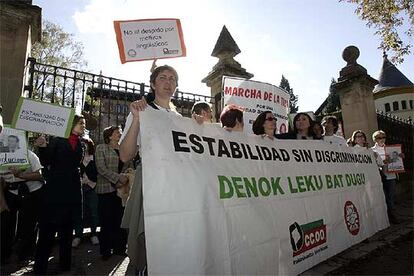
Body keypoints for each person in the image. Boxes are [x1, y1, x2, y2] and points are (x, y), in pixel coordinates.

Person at [119, 64, 182, 275]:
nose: (168, 82)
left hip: (177, 188)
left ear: (176, 86)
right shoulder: (142, 112)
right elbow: (125, 155)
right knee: (146, 245)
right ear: (153, 83)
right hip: (152, 185)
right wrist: (137, 119)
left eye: (172, 78)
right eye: (163, 77)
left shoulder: (181, 119)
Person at [33, 115, 86, 275]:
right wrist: (42, 146)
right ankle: (40, 268)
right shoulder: (57, 140)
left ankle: (65, 265)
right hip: (55, 194)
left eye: (83, 124)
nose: (83, 126)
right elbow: (46, 160)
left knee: (66, 232)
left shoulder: (81, 144)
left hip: (71, 194)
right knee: (47, 233)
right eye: (80, 123)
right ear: (71, 124)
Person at [0, 150, 44, 263]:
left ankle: (27, 253)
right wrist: (2, 202)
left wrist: (21, 175)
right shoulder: (2, 157)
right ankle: (5, 254)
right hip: (11, 191)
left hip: (32, 191)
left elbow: (39, 175)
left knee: (29, 223)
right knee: (6, 222)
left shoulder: (29, 155)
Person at [95, 125, 131, 260]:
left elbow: (129, 166)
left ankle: (120, 248)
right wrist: (117, 179)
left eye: (120, 132)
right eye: (117, 132)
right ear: (109, 135)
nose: (120, 134)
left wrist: (124, 178)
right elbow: (101, 168)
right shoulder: (101, 148)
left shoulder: (123, 149)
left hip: (121, 191)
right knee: (106, 221)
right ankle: (105, 250)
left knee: (119, 220)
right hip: (106, 190)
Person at [72, 138, 100, 248]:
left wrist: (91, 182)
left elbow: (98, 172)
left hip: (92, 187)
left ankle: (94, 234)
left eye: (86, 144)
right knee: (80, 212)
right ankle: (78, 235)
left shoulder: (95, 158)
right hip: (79, 188)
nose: (84, 146)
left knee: (94, 211)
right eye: (81, 144)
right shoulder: (76, 158)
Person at [371, 130, 400, 224]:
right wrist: (383, 163)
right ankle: (386, 217)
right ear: (375, 139)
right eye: (379, 137)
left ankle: (392, 216)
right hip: (380, 176)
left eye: (383, 137)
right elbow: (373, 164)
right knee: (383, 197)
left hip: (391, 175)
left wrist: (400, 157)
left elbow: (396, 160)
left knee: (391, 196)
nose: (382, 139)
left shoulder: (391, 149)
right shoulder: (372, 150)